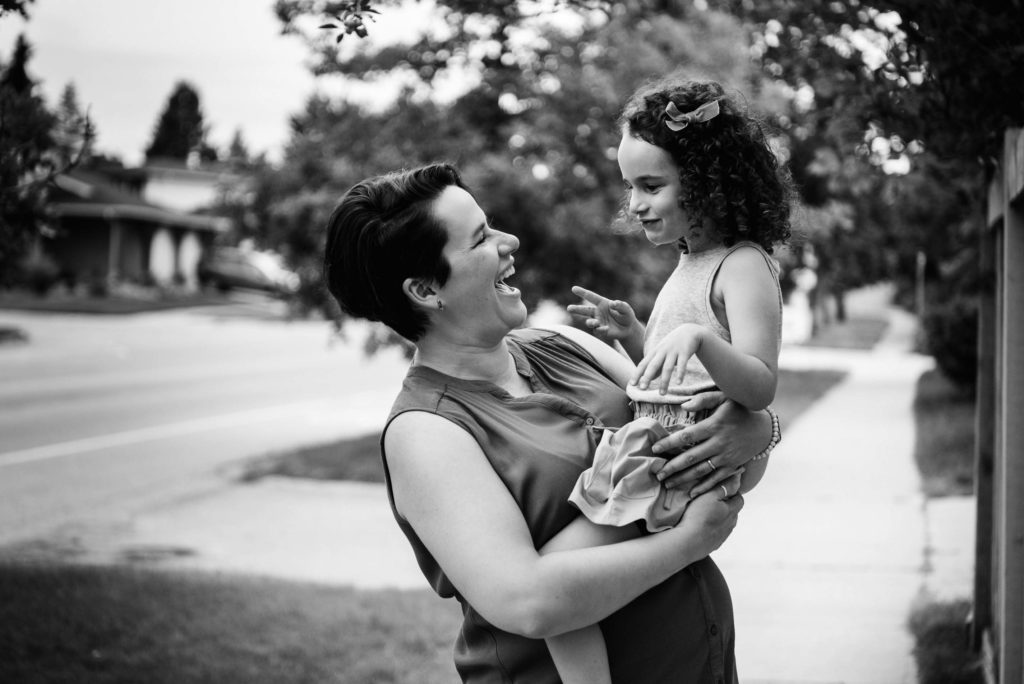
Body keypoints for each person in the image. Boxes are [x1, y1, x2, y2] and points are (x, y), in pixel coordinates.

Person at [323, 162, 779, 683]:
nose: (508, 240)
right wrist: (689, 542)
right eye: (479, 240)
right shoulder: (427, 432)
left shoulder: (569, 345)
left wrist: (762, 429)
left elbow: (685, 423)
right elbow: (528, 602)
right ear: (426, 291)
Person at [551, 76, 792, 683]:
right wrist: (634, 334)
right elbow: (668, 371)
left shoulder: (743, 265)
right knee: (576, 584)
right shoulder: (691, 260)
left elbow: (760, 386)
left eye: (652, 185)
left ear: (709, 182)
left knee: (555, 580)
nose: (634, 203)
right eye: (629, 186)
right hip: (663, 443)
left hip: (684, 457)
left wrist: (702, 341)